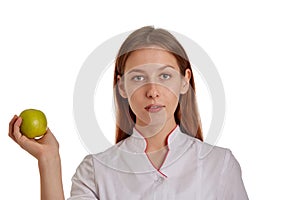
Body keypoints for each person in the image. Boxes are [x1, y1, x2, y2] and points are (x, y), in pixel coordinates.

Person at [8, 26, 248, 199]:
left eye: (165, 76)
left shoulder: (221, 165)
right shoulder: (95, 170)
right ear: (122, 86)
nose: (153, 91)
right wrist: (49, 160)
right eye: (138, 77)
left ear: (185, 81)